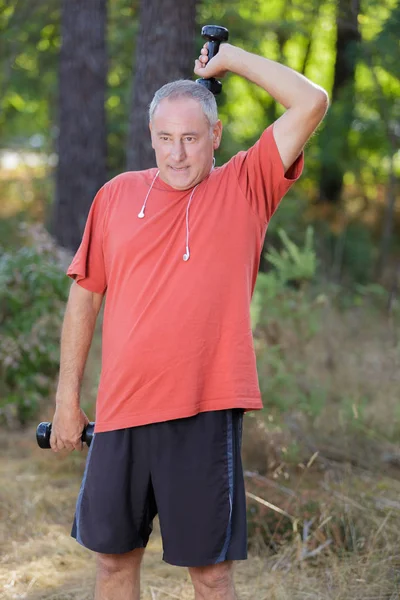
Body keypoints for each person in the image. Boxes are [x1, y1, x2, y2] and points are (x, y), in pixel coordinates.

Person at [50, 40, 328, 600]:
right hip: (122, 410)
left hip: (203, 411)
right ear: (150, 137)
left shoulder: (247, 186)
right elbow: (85, 298)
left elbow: (310, 101)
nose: (177, 154)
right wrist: (66, 400)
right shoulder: (115, 196)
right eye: (165, 139)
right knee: (112, 564)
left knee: (210, 574)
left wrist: (230, 60)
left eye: (192, 139)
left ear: (216, 136)